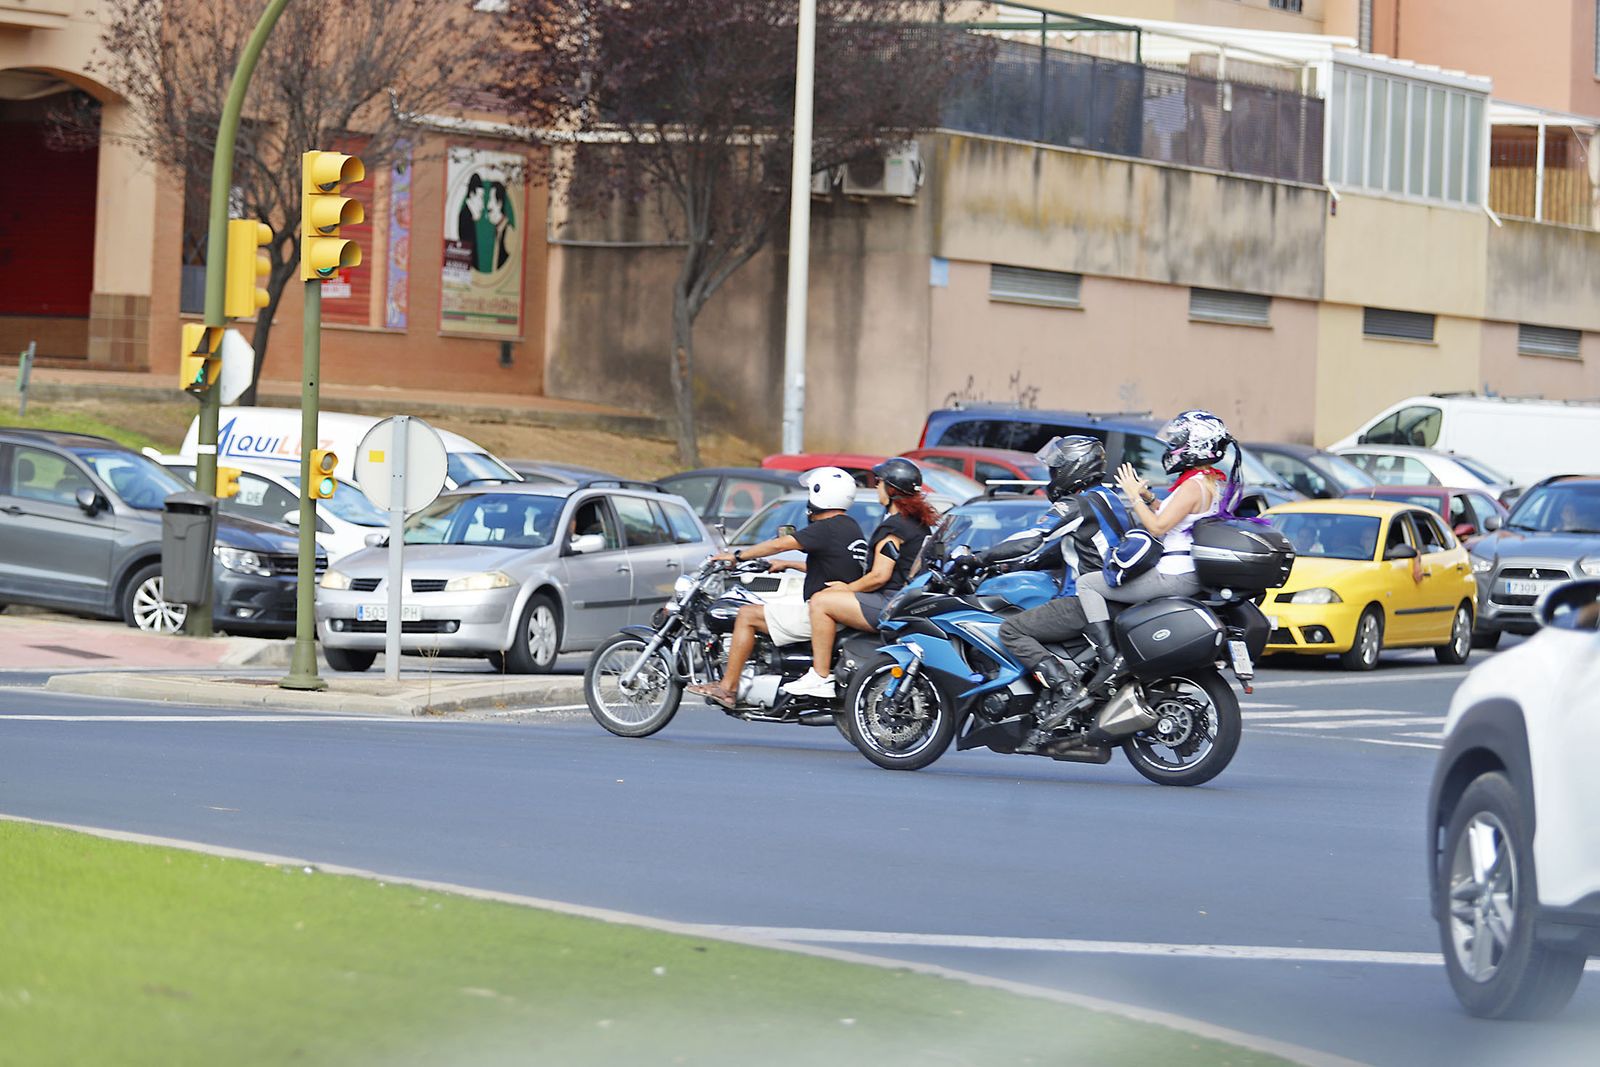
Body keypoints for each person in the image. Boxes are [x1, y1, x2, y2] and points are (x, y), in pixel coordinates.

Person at [1064, 410, 1235, 707]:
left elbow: (1158, 527)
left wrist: (1131, 495)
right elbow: (1178, 517)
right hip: (1190, 571)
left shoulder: (1193, 485)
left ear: (1195, 445)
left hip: (1173, 575)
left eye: (1178, 441)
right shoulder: (1212, 482)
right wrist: (1149, 499)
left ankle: (1108, 657)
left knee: (1090, 583)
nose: (1172, 448)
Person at [686, 467, 867, 708]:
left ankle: (727, 687)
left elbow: (780, 544)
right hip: (839, 610)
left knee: (746, 614)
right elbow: (834, 566)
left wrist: (737, 556)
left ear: (818, 493)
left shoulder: (825, 528)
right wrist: (788, 564)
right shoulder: (850, 527)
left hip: (820, 613)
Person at [782, 458, 938, 698]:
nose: (876, 487)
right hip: (904, 601)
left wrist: (847, 589)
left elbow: (879, 575)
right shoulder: (916, 524)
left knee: (822, 601)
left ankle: (820, 676)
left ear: (892, 490)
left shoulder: (895, 528)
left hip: (890, 602)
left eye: (879, 482)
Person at [994, 436, 1114, 696]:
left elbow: (1030, 539)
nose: (1053, 474)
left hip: (1082, 600)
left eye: (1057, 468)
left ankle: (1065, 691)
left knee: (1011, 630)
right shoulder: (1109, 498)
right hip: (1111, 596)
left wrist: (978, 558)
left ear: (1076, 466)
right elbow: (1070, 546)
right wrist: (1016, 566)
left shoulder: (1077, 504)